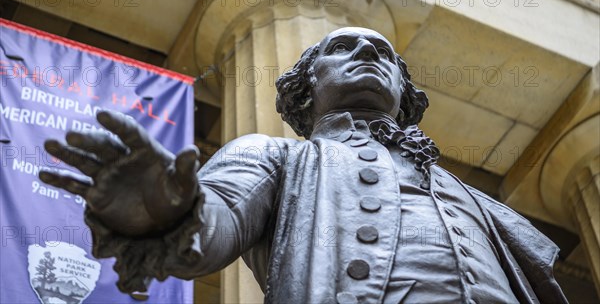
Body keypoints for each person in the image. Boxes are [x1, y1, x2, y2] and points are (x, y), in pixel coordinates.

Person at [40, 27, 567, 303]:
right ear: (306, 87)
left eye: (383, 53)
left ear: (405, 92)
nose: (366, 51)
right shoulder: (277, 155)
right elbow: (218, 221)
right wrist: (165, 207)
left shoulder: (471, 198)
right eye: (343, 47)